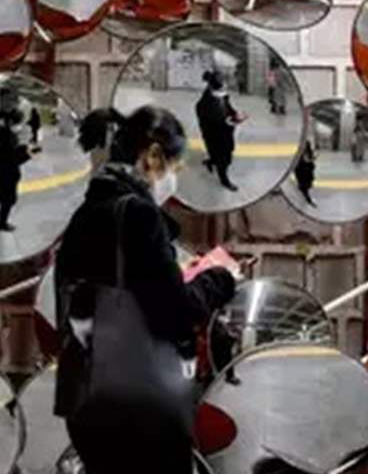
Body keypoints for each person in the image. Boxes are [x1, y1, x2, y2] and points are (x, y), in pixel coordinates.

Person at [54, 105, 237, 474]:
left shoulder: (88, 212)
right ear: (153, 156)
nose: (173, 179)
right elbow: (176, 313)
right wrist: (220, 277)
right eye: (175, 168)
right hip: (137, 408)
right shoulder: (138, 215)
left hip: (86, 401)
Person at [196, 70, 247, 192]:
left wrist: (235, 114)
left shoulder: (222, 96)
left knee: (226, 152)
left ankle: (211, 161)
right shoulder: (205, 103)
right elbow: (210, 121)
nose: (226, 85)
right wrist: (229, 122)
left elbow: (228, 107)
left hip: (225, 132)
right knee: (223, 158)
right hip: (215, 135)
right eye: (223, 83)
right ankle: (224, 180)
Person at [294, 140, 317, 207]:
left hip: (305, 169)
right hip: (302, 170)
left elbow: (311, 161)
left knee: (304, 186)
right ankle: (308, 200)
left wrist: (311, 159)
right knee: (304, 186)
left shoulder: (307, 149)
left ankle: (308, 199)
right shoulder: (299, 152)